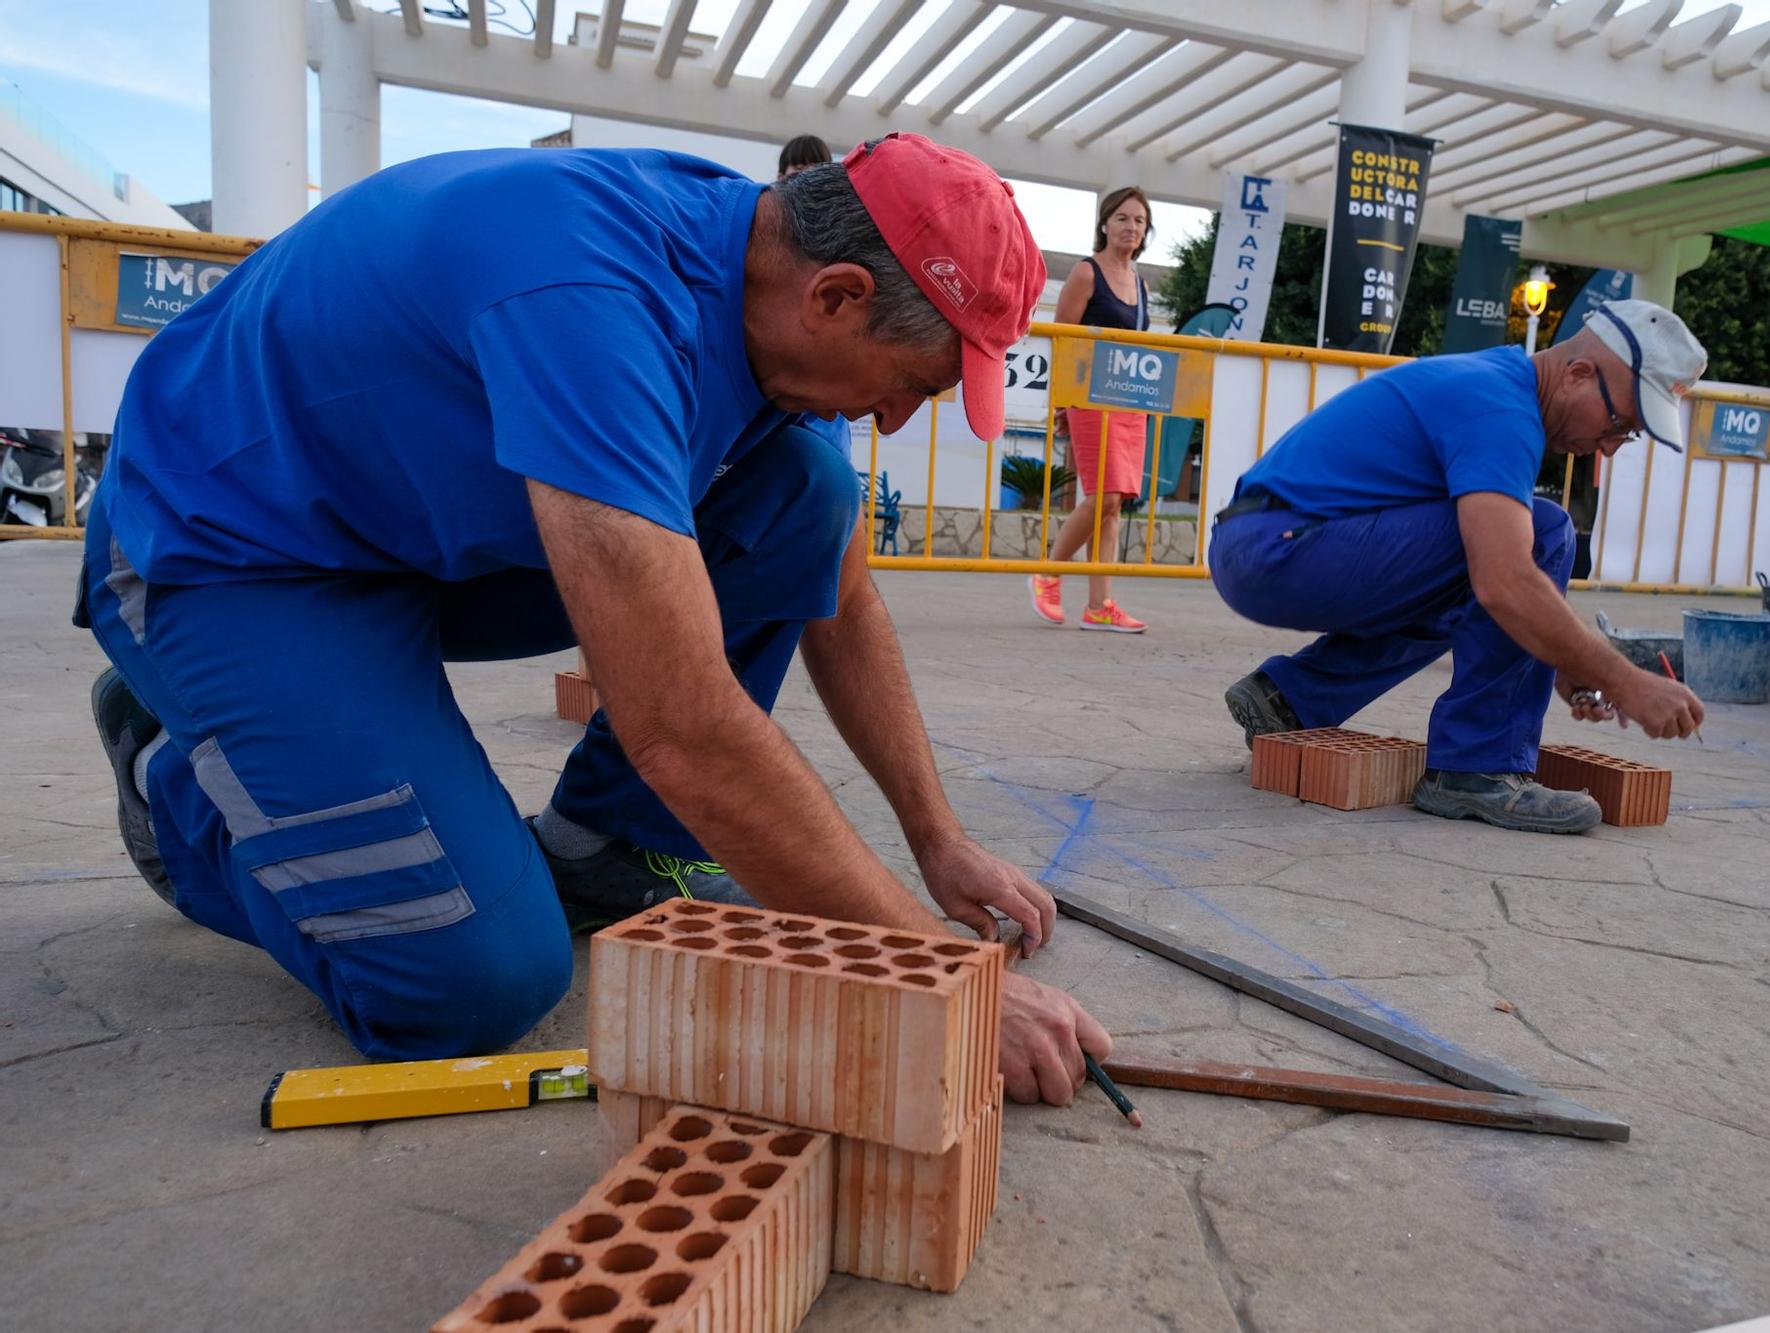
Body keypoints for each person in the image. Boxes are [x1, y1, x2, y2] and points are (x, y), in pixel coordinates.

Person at [78, 134, 1110, 1107]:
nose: (894, 419)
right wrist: (942, 979)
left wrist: (938, 839)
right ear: (835, 298)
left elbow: (839, 598)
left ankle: (607, 845)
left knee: (805, 493)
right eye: (916, 385)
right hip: (235, 547)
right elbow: (684, 726)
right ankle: (175, 781)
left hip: (416, 530)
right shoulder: (591, 296)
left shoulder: (770, 292)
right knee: (470, 986)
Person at [1213, 299, 1708, 835]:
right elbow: (1507, 583)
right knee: (1543, 534)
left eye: (1627, 436)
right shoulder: (1500, 409)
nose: (1609, 448)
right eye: (1620, 423)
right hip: (1281, 548)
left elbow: (1490, 587)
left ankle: (1289, 698)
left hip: (1264, 545)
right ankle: (1479, 766)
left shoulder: (1496, 384)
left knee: (1482, 571)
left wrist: (1561, 659)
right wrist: (1627, 681)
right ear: (1579, 374)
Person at [1027, 186, 1153, 633]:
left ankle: (1100, 604)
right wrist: (1061, 403)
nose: (1130, 227)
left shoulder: (1140, 282)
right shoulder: (1086, 273)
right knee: (1106, 496)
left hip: (1130, 402)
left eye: (1138, 221)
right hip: (1090, 398)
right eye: (1122, 218)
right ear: (1104, 223)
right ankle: (1049, 571)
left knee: (1114, 506)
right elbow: (1063, 339)